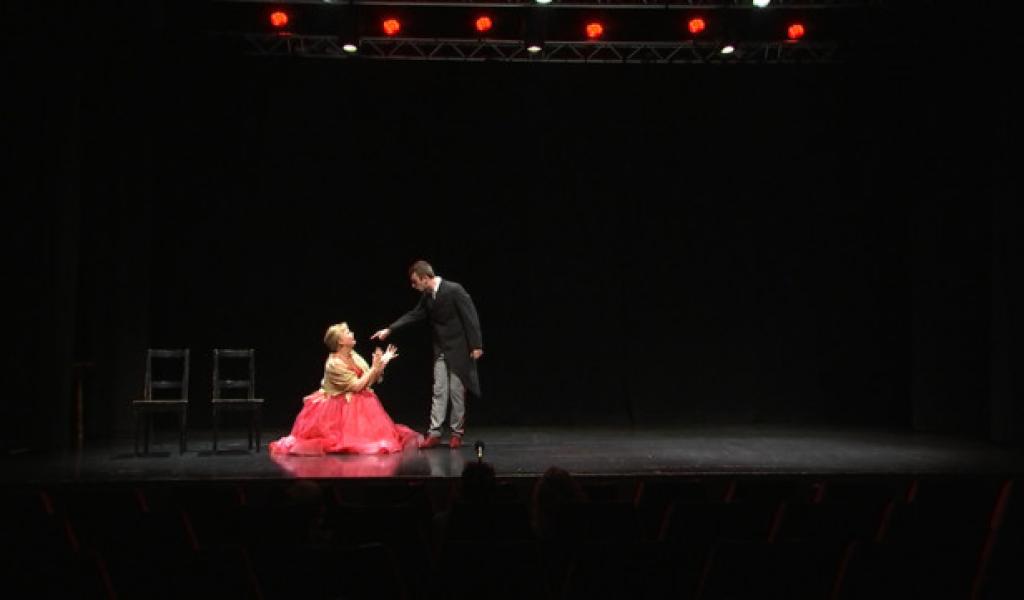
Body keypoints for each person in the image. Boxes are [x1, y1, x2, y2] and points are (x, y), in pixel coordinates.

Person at [371, 260, 483, 449]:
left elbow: (470, 316)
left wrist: (476, 345)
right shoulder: (428, 296)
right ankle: (435, 432)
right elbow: (414, 314)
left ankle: (456, 432)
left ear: (425, 278)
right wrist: (390, 329)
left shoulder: (454, 290)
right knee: (439, 390)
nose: (413, 286)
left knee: (456, 391)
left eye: (415, 281)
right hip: (441, 348)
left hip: (459, 348)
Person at [269, 322, 420, 456]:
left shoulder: (353, 355)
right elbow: (356, 386)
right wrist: (375, 368)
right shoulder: (334, 364)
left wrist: (380, 365)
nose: (352, 333)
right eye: (347, 332)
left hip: (358, 402)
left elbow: (367, 381)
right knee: (345, 441)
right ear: (340, 341)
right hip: (338, 406)